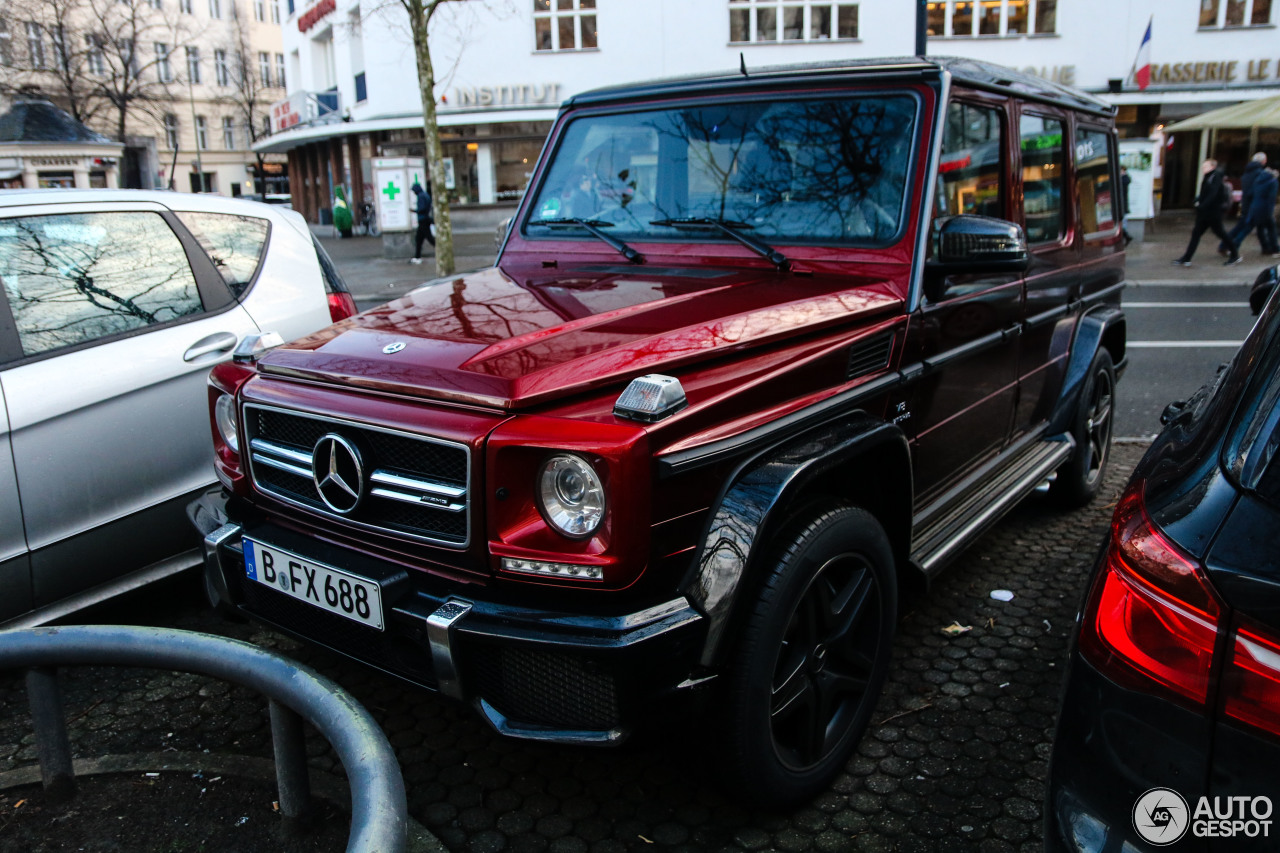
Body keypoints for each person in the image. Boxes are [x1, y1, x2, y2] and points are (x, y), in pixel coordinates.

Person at [1173, 159, 1240, 266]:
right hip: (1206, 212)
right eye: (1203, 166)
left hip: (1212, 212)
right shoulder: (1209, 177)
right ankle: (1187, 258)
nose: (1203, 168)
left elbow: (1213, 193)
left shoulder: (1215, 176)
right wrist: (1199, 199)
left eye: (1206, 166)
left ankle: (1235, 255)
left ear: (1212, 167)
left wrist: (1202, 205)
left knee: (1221, 233)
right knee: (1197, 234)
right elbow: (1207, 192)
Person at [1220, 152, 1268, 255]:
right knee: (1247, 227)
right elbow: (1258, 191)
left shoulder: (1247, 172)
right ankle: (1233, 246)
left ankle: (1224, 245)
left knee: (1243, 225)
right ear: (1263, 161)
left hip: (1247, 203)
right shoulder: (1260, 174)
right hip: (1254, 204)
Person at [1251, 166, 1280, 258]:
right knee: (1272, 229)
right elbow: (1271, 198)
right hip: (1266, 208)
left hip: (1256, 206)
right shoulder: (1273, 182)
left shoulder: (1258, 179)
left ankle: (1265, 248)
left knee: (1260, 228)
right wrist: (1271, 211)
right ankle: (1275, 249)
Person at [410, 180, 434, 264]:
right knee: (419, 239)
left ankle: (441, 250)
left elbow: (422, 209)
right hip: (425, 219)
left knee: (429, 238)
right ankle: (417, 256)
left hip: (423, 220)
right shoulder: (425, 195)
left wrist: (414, 211)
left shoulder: (421, 196)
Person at [1120, 166, 1133, 246]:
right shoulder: (1124, 179)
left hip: (1123, 205)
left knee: (1123, 223)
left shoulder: (1124, 179)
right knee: (1122, 223)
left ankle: (1126, 236)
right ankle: (1126, 236)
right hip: (1122, 205)